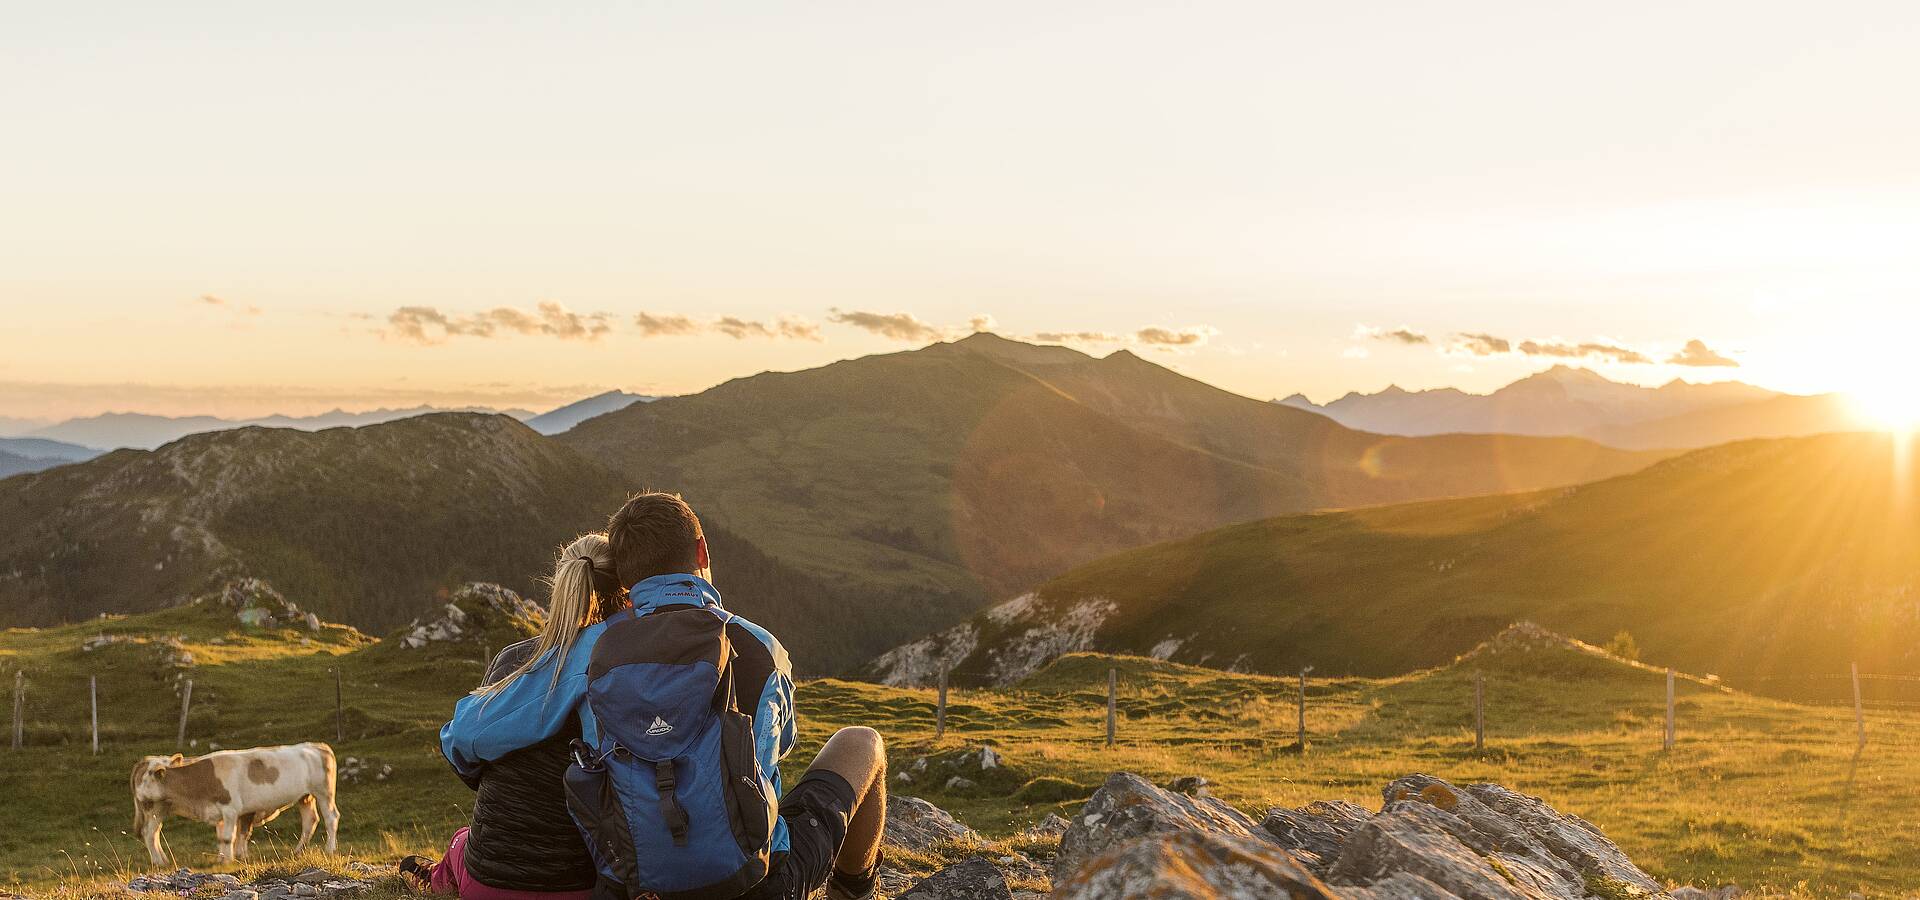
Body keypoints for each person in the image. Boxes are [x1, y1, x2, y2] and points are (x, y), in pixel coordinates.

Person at [443, 493, 888, 900]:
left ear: (625, 576)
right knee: (861, 743)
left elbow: (466, 733)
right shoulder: (760, 647)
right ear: (702, 551)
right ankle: (855, 889)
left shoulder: (594, 651)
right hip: (754, 885)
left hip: (637, 887)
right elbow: (777, 748)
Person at [407, 533, 625, 899]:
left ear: (561, 587)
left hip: (489, 882)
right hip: (582, 884)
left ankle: (435, 878)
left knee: (463, 840)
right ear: (624, 591)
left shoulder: (513, 660)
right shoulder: (624, 668)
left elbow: (469, 761)